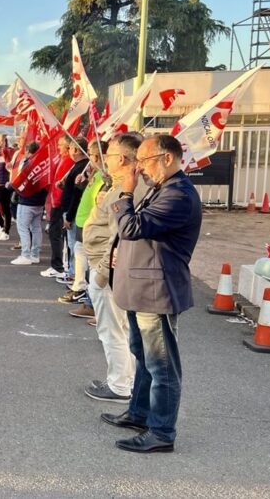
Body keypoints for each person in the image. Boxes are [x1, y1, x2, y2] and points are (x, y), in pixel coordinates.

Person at [101, 134, 202, 454]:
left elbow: (131, 227)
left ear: (167, 158)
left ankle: (161, 431)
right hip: (141, 288)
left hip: (156, 291)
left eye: (144, 161)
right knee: (142, 355)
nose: (140, 168)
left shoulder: (179, 195)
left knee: (162, 366)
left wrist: (126, 191)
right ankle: (139, 412)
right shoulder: (163, 188)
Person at [82, 134, 147, 402]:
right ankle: (126, 381)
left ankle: (119, 385)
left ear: (121, 159)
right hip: (111, 269)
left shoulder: (127, 190)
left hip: (108, 272)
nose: (104, 159)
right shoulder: (125, 185)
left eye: (108, 154)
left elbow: (117, 238)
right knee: (122, 329)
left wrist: (100, 274)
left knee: (112, 330)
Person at [68, 140, 109, 320]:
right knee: (82, 258)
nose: (90, 159)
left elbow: (101, 202)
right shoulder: (96, 173)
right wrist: (83, 182)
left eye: (91, 155)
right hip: (84, 222)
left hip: (92, 225)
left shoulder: (106, 177)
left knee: (93, 266)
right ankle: (88, 299)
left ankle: (92, 304)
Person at [58, 137, 90, 303]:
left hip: (76, 214)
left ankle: (75, 277)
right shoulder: (78, 167)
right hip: (74, 212)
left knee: (75, 247)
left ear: (76, 150)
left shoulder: (83, 168)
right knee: (74, 247)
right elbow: (73, 189)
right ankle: (74, 275)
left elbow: (77, 195)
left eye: (70, 148)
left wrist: (69, 216)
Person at [38, 137, 73, 279]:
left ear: (68, 146)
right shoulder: (63, 159)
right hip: (56, 202)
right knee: (56, 234)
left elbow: (61, 186)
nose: (58, 147)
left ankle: (58, 266)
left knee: (56, 234)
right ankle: (59, 265)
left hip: (59, 204)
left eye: (60, 145)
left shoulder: (68, 161)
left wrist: (56, 202)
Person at [10, 142, 47, 265]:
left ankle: (25, 255)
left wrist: (12, 187)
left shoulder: (28, 164)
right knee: (36, 228)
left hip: (26, 201)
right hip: (39, 201)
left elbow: (21, 180)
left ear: (27, 151)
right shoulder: (43, 164)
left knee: (23, 228)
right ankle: (35, 255)